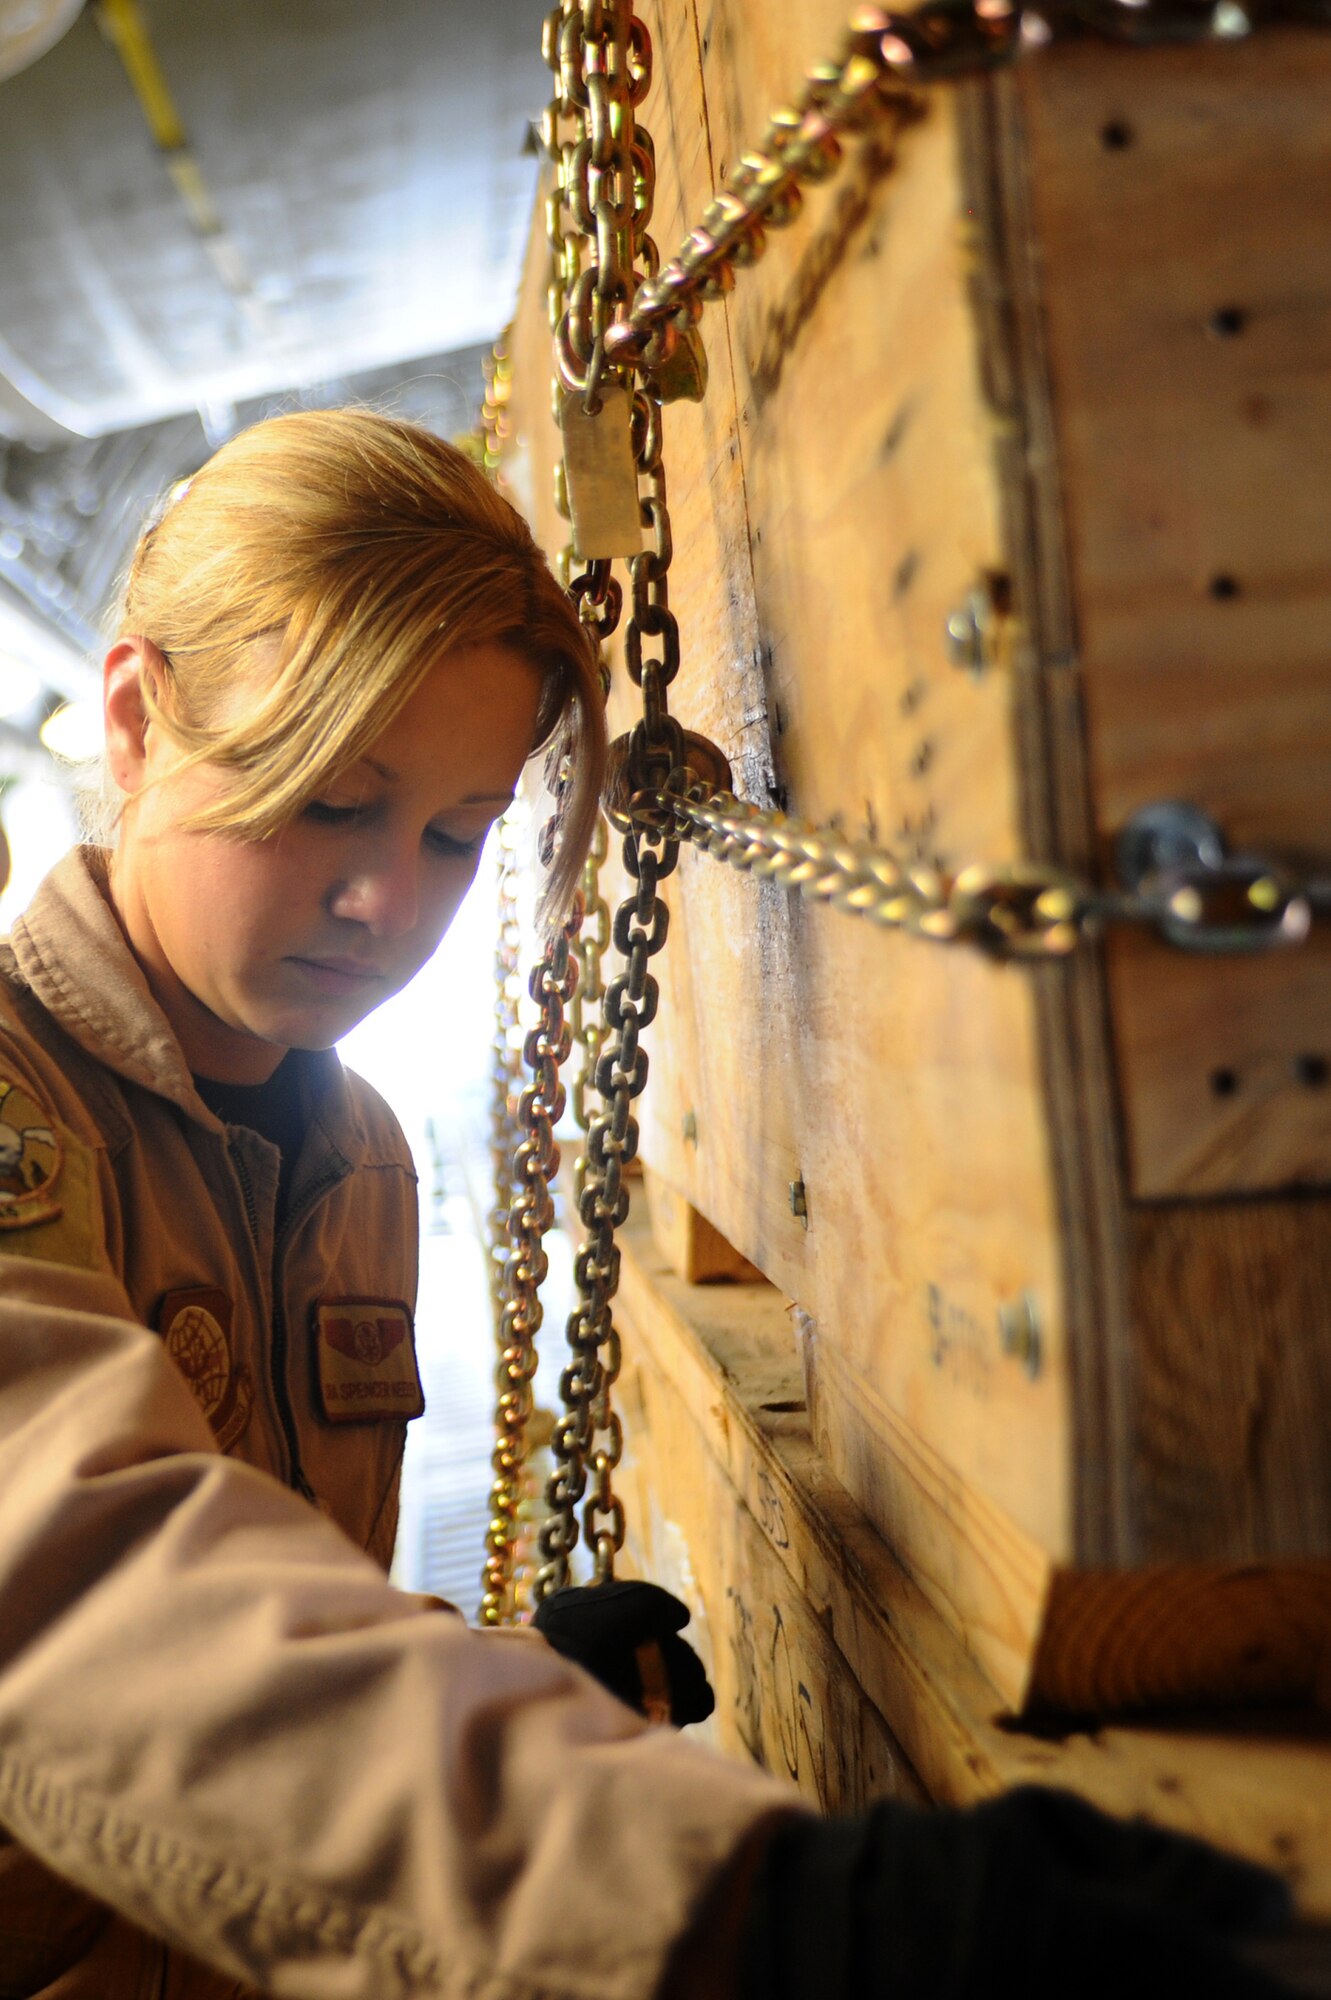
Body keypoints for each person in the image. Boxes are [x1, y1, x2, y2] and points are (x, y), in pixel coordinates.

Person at [0, 409, 1296, 2000]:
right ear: (135, 722)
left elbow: (255, 1638)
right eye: (331, 802)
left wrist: (513, 1686)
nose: (387, 903)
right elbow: (89, 1609)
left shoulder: (357, 1161)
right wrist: (757, 1907)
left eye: (458, 835)